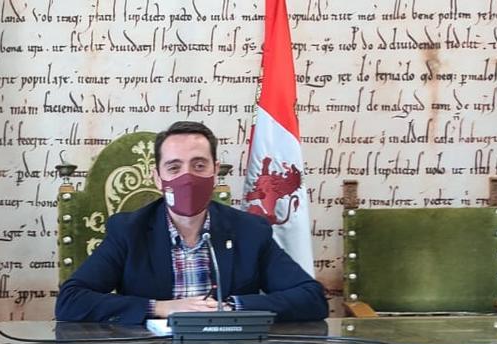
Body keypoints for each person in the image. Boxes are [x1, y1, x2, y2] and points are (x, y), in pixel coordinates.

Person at [55, 121, 328, 324]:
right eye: (174, 167)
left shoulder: (249, 231)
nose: (187, 177)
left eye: (199, 165)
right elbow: (70, 301)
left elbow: (311, 298)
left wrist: (234, 307)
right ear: (158, 178)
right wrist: (162, 308)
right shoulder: (129, 230)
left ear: (215, 170)